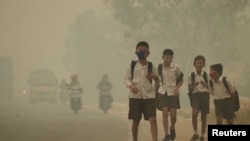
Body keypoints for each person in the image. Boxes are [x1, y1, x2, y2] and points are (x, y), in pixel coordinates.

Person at [124, 41, 159, 141]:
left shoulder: (151, 65)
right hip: (135, 96)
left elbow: (158, 79)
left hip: (149, 96)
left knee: (153, 119)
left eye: (145, 50)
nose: (142, 52)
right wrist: (131, 86)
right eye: (140, 50)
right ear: (136, 52)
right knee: (136, 120)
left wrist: (153, 76)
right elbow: (126, 78)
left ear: (148, 53)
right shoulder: (132, 64)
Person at [156, 49, 184, 141]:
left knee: (173, 115)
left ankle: (172, 127)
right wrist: (155, 94)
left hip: (173, 93)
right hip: (162, 92)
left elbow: (181, 80)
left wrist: (177, 88)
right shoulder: (158, 68)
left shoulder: (176, 68)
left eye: (170, 58)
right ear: (163, 57)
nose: (169, 60)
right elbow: (156, 81)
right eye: (167, 57)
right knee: (164, 112)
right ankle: (167, 135)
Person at [188, 55, 210, 141]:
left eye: (201, 63)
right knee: (194, 113)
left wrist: (205, 85)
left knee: (204, 116)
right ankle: (195, 132)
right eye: (198, 63)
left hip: (205, 95)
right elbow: (189, 88)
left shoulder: (207, 75)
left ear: (203, 64)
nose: (199, 64)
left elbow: (211, 88)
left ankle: (202, 135)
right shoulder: (191, 75)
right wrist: (194, 85)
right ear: (195, 64)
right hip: (195, 95)